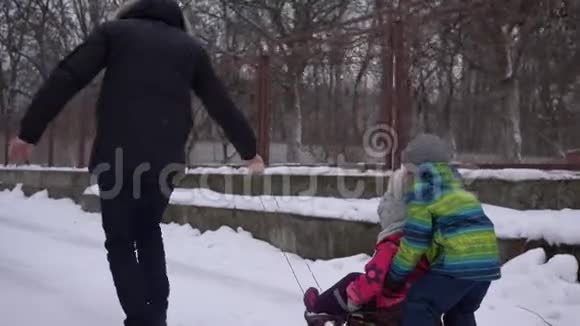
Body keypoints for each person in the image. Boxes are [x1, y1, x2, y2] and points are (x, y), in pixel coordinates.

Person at [9, 0, 265, 325]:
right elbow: (220, 102)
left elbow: (68, 75)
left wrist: (30, 132)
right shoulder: (189, 49)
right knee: (147, 231)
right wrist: (249, 150)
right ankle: (155, 316)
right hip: (165, 162)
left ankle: (143, 319)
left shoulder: (114, 34)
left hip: (116, 157)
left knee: (120, 240)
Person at [383, 134, 501, 326]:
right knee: (460, 311)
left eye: (408, 171)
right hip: (486, 266)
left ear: (419, 170)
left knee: (418, 303)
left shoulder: (424, 194)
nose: (405, 177)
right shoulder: (460, 192)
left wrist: (395, 276)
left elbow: (414, 243)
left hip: (456, 266)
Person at [302, 167, 431, 326]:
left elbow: (374, 281)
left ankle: (319, 306)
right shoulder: (424, 242)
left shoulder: (391, 245)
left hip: (390, 308)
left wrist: (354, 298)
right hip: (413, 303)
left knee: (351, 283)